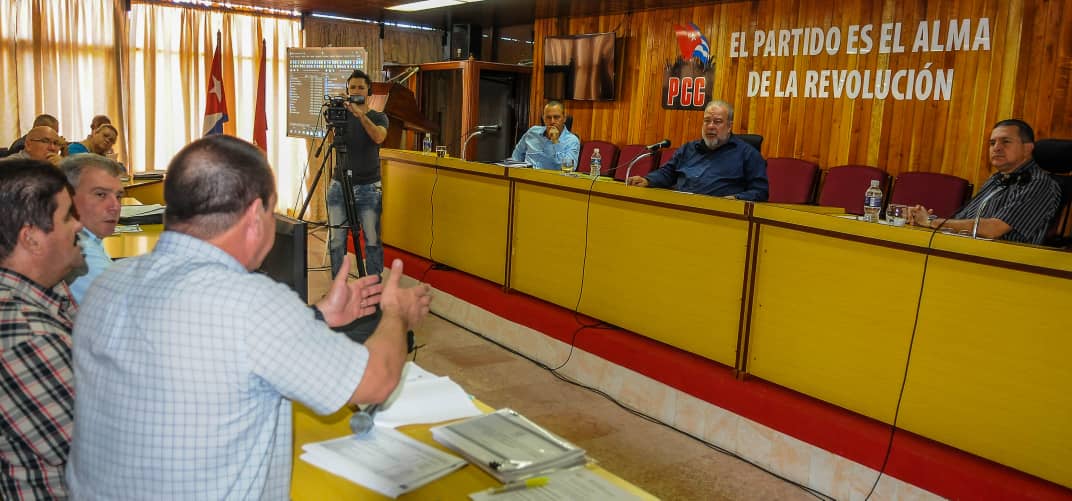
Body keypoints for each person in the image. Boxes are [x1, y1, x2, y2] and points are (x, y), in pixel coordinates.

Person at [66, 135, 431, 499]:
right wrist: (396, 314)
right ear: (256, 215)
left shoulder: (107, 283)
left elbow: (216, 347)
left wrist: (316, 317)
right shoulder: (250, 303)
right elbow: (376, 382)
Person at [0, 160, 85, 500]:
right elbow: (104, 450)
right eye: (67, 216)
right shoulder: (25, 335)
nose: (78, 225)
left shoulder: (46, 295)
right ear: (31, 238)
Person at [906, 119, 1061, 245]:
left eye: (1005, 142)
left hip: (1004, 267)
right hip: (969, 252)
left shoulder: (1039, 184)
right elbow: (965, 220)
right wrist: (925, 218)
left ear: (1027, 149)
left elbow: (993, 229)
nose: (997, 148)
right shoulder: (997, 179)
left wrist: (932, 222)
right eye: (992, 143)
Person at [627, 100, 769, 201]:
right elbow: (667, 173)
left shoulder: (748, 154)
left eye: (717, 121)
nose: (711, 126)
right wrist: (647, 180)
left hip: (720, 219)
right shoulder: (688, 149)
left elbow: (760, 191)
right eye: (707, 121)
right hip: (679, 209)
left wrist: (736, 199)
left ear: (729, 126)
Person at [326, 69, 389, 279]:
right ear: (347, 90)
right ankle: (339, 287)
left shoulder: (378, 116)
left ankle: (371, 288)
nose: (356, 90)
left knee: (371, 239)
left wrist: (360, 114)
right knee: (336, 240)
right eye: (352, 87)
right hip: (339, 186)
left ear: (368, 90)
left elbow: (379, 137)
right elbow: (332, 143)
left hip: (368, 187)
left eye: (361, 87)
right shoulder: (341, 117)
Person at [61, 154, 125, 303]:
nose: (115, 206)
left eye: (118, 196)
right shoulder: (79, 248)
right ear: (66, 197)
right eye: (101, 194)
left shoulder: (90, 237)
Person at [511, 100, 581, 170]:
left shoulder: (572, 141)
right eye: (548, 117)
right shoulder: (532, 132)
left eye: (556, 117)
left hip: (550, 179)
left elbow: (569, 168)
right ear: (543, 118)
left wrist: (555, 142)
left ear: (564, 118)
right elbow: (517, 154)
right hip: (526, 176)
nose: (552, 121)